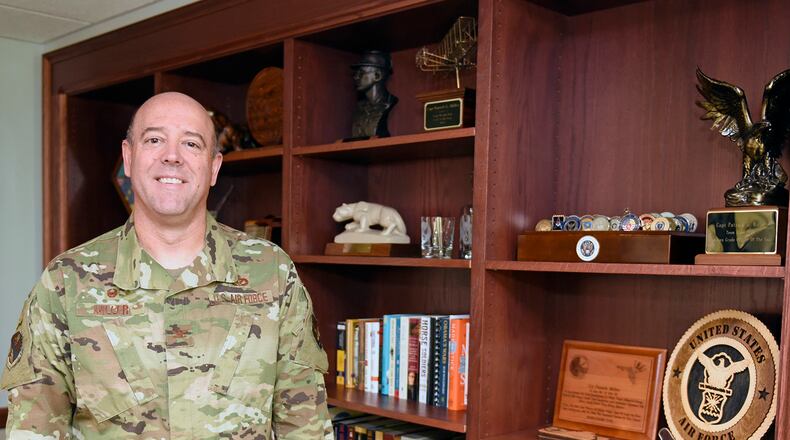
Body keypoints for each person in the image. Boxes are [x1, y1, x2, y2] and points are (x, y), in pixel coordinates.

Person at [1, 92, 333, 439]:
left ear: (213, 167)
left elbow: (304, 425)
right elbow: (33, 428)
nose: (171, 156)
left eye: (190, 144)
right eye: (155, 139)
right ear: (128, 158)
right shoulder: (66, 281)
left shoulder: (272, 273)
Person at [350, 50, 398, 139]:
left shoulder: (390, 103)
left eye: (361, 73)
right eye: (355, 73)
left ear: (377, 76)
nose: (356, 77)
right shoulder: (359, 108)